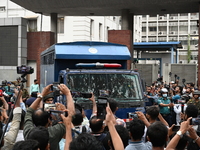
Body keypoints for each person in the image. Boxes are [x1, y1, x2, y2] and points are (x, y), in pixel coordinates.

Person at [23, 84, 75, 150]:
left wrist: (41, 95)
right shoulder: (53, 132)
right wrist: (68, 94)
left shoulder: (29, 132)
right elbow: (70, 117)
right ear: (48, 121)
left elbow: (29, 111)